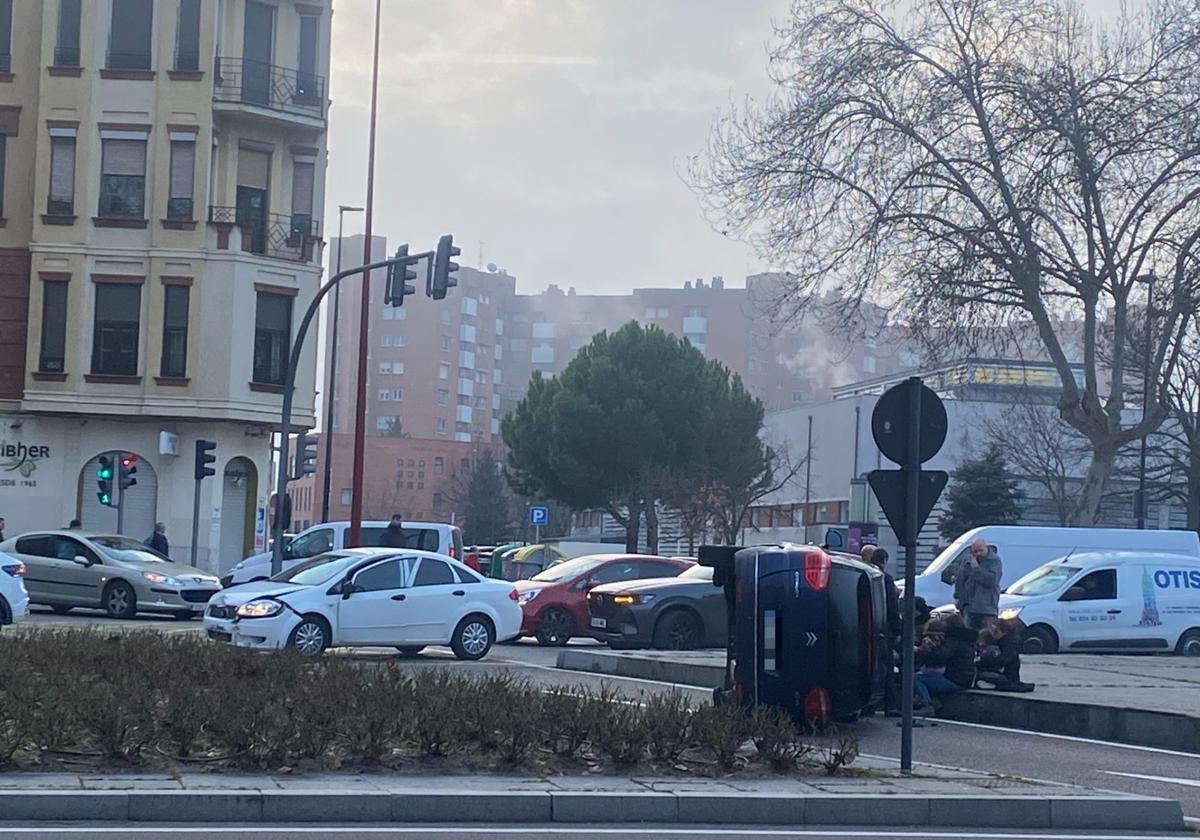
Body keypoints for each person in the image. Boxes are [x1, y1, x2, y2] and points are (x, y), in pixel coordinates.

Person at [913, 613, 977, 712]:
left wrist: (925, 650)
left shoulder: (953, 641)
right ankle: (934, 702)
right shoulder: (966, 640)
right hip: (964, 678)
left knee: (915, 678)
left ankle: (926, 704)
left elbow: (940, 657)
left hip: (954, 679)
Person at [869, 547, 902, 715]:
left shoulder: (865, 576)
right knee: (886, 667)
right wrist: (898, 630)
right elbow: (892, 607)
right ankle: (890, 705)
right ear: (884, 561)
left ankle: (869, 705)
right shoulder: (885, 579)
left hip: (866, 629)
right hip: (884, 630)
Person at [954, 538, 1003, 630]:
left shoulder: (994, 561)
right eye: (975, 551)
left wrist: (976, 568)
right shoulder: (968, 560)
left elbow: (992, 581)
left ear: (986, 548)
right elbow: (960, 578)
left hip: (987, 608)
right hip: (969, 607)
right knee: (968, 635)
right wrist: (958, 596)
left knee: (986, 635)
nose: (978, 554)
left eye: (981, 550)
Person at [975, 618, 1035, 692]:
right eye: (992, 631)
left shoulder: (1009, 645)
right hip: (994, 671)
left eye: (996, 632)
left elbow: (1002, 661)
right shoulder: (990, 637)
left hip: (1004, 674)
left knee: (989, 677)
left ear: (1004, 633)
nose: (993, 634)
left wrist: (984, 659)